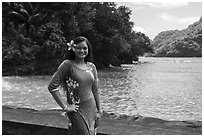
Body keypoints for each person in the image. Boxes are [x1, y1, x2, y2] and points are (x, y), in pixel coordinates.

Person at [48, 36, 102, 135]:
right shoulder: (67, 65)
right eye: (78, 48)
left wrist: (99, 110)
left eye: (85, 48)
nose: (82, 51)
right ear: (73, 49)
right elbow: (52, 86)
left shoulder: (91, 67)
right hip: (77, 110)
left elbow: (96, 90)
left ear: (88, 50)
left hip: (92, 109)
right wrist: (65, 107)